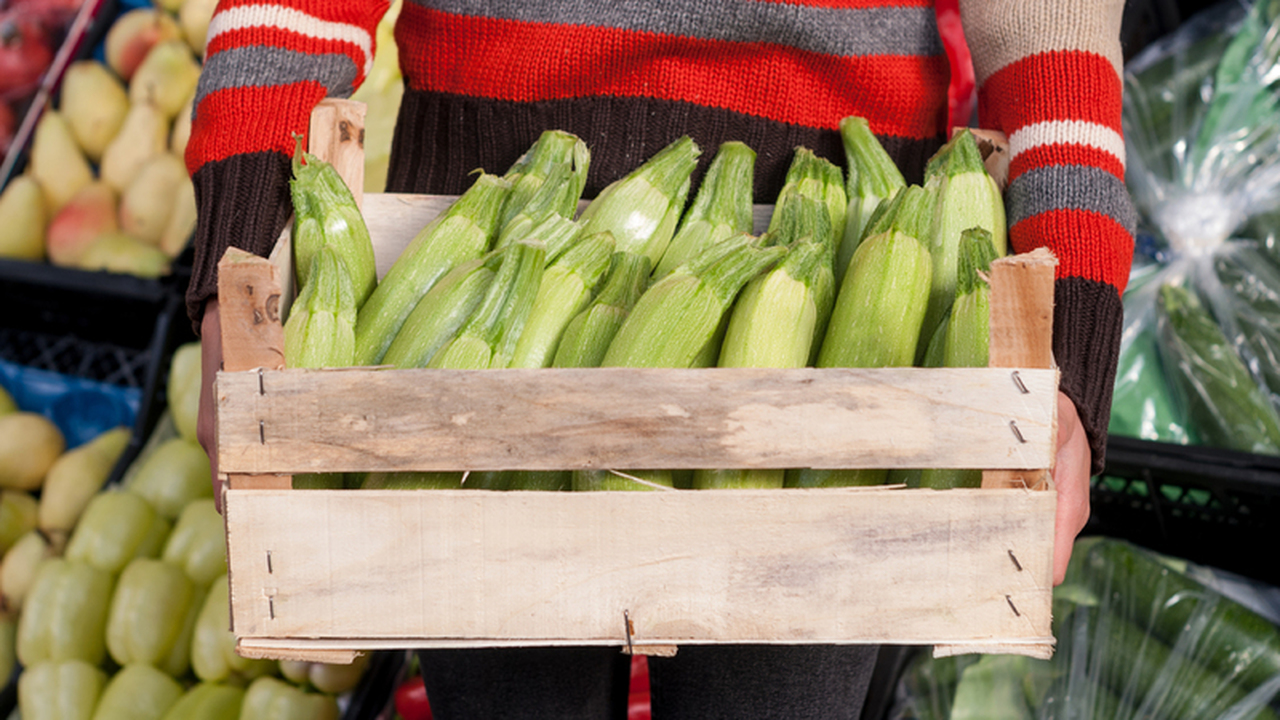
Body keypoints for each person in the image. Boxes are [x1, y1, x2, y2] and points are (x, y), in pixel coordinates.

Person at [185, 1, 1134, 717]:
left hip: (843, 291)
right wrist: (246, 248)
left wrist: (1072, 298)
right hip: (476, 249)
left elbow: (1052, 22)